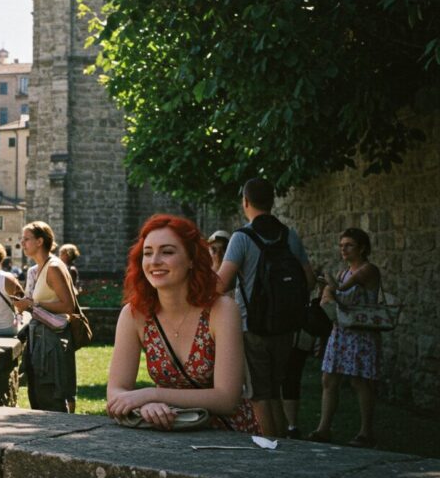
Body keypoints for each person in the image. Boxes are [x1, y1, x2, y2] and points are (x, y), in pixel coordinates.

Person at [108, 214, 260, 433]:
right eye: (147, 253)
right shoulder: (134, 315)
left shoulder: (222, 310)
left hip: (226, 436)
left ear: (191, 259)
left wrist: (152, 394)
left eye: (167, 251)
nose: (154, 261)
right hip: (172, 430)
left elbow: (227, 399)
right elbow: (115, 393)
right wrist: (149, 406)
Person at [217, 177, 314, 437]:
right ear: (272, 201)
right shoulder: (289, 235)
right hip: (285, 327)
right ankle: (286, 447)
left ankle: (272, 453)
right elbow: (309, 279)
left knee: (259, 395)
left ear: (245, 201)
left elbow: (220, 284)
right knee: (276, 391)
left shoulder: (241, 237)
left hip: (253, 326)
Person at [308, 228, 382, 448]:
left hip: (361, 332)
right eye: (341, 245)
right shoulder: (344, 272)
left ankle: (366, 432)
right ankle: (323, 429)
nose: (344, 249)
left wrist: (329, 286)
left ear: (362, 248)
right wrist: (327, 290)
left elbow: (340, 290)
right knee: (329, 379)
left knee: (360, 381)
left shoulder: (368, 270)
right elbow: (335, 300)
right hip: (341, 331)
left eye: (349, 245)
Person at [12, 221, 78, 412]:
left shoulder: (54, 267)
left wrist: (32, 304)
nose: (22, 243)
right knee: (37, 397)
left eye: (26, 239)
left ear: (40, 241)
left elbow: (68, 306)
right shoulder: (34, 270)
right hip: (38, 338)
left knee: (50, 399)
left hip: (52, 341)